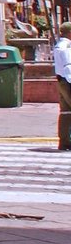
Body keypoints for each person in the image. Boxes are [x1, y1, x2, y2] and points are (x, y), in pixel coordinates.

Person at [53, 23, 71, 152]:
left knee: (65, 112)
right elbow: (68, 65)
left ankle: (64, 142)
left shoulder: (58, 45)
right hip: (67, 80)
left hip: (61, 80)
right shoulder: (67, 46)